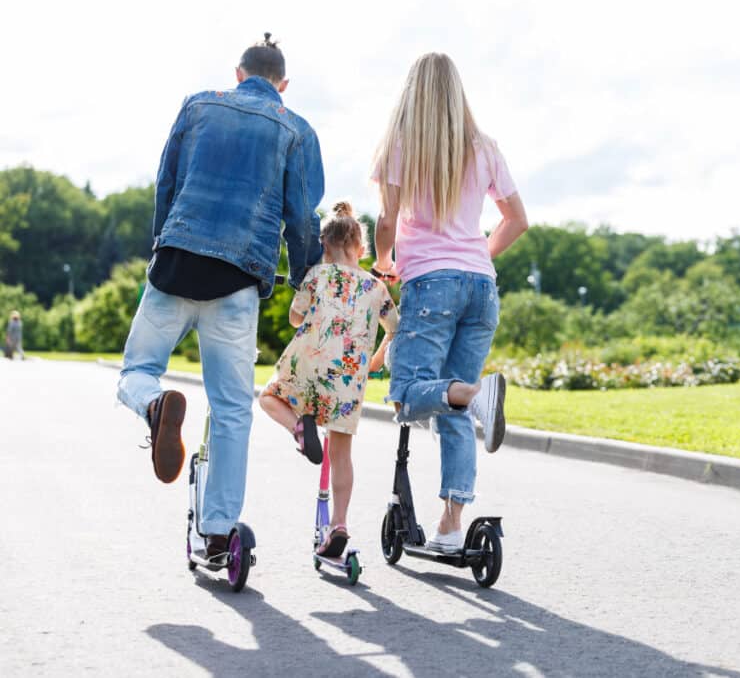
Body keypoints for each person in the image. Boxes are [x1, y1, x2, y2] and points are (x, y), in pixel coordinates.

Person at [116, 34, 324, 558]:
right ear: (283, 85)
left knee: (136, 370)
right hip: (237, 278)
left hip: (176, 263)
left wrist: (163, 244)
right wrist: (305, 280)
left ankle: (154, 403)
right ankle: (217, 530)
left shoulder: (198, 104)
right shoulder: (296, 129)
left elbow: (167, 183)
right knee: (233, 409)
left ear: (238, 74)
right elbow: (302, 218)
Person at [371, 52, 529, 553]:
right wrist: (476, 255)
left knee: (406, 393)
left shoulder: (401, 145)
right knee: (451, 399)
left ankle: (479, 394)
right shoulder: (484, 147)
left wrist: (382, 262)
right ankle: (450, 525)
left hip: (431, 286)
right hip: (481, 288)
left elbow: (387, 220)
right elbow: (516, 220)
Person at [259, 202, 397, 556]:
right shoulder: (375, 287)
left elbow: (294, 318)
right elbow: (397, 328)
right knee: (341, 452)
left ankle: (299, 429)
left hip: (307, 367)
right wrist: (376, 359)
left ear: (324, 246)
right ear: (361, 249)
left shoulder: (316, 277)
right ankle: (339, 523)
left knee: (268, 398)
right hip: (348, 379)